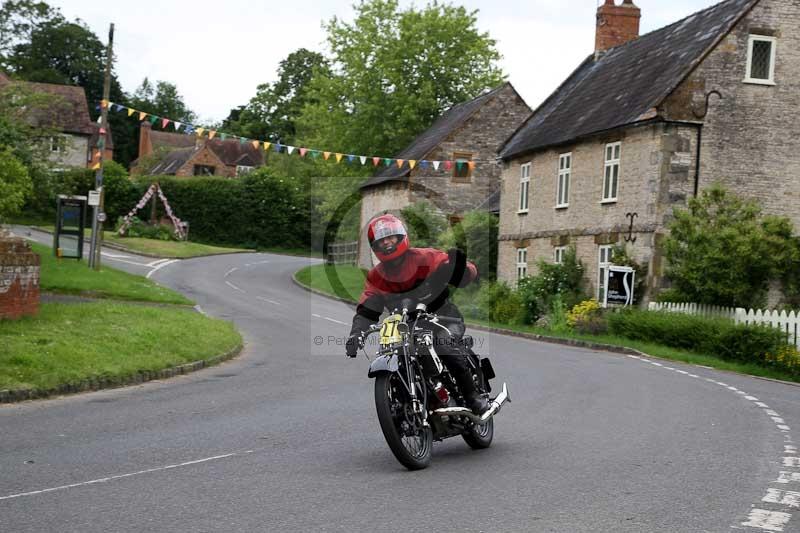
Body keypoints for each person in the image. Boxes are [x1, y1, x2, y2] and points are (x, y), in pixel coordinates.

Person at [344, 214, 488, 414]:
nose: (386, 242)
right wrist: (356, 333)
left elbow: (463, 273)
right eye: (380, 240)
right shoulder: (376, 276)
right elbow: (368, 307)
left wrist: (459, 269)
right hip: (406, 326)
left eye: (390, 237)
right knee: (394, 351)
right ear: (374, 245)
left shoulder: (425, 257)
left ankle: (473, 397)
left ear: (401, 237)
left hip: (443, 318)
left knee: (443, 344)